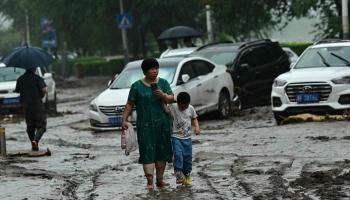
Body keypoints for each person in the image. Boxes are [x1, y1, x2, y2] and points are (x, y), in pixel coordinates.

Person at [121, 58, 174, 190]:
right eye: (151, 69)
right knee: (147, 152)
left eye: (156, 68)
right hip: (145, 126)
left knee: (162, 152)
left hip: (163, 124)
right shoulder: (136, 86)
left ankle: (160, 180)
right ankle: (150, 182)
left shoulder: (163, 83)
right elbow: (129, 104)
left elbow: (172, 98)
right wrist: (124, 120)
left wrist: (163, 95)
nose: (154, 71)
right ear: (145, 71)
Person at [169, 92, 200, 186]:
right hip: (176, 137)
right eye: (182, 106)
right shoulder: (173, 107)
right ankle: (178, 173)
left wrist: (197, 127)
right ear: (178, 103)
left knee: (187, 157)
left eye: (185, 106)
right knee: (178, 155)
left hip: (187, 138)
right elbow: (165, 106)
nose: (184, 108)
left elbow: (194, 118)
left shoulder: (190, 108)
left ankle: (187, 175)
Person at [15, 67, 48, 151]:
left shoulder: (20, 79)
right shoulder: (38, 78)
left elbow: (17, 91)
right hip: (37, 105)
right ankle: (35, 141)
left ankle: (33, 143)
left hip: (26, 106)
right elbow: (44, 89)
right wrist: (41, 96)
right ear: (34, 69)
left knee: (30, 127)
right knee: (42, 126)